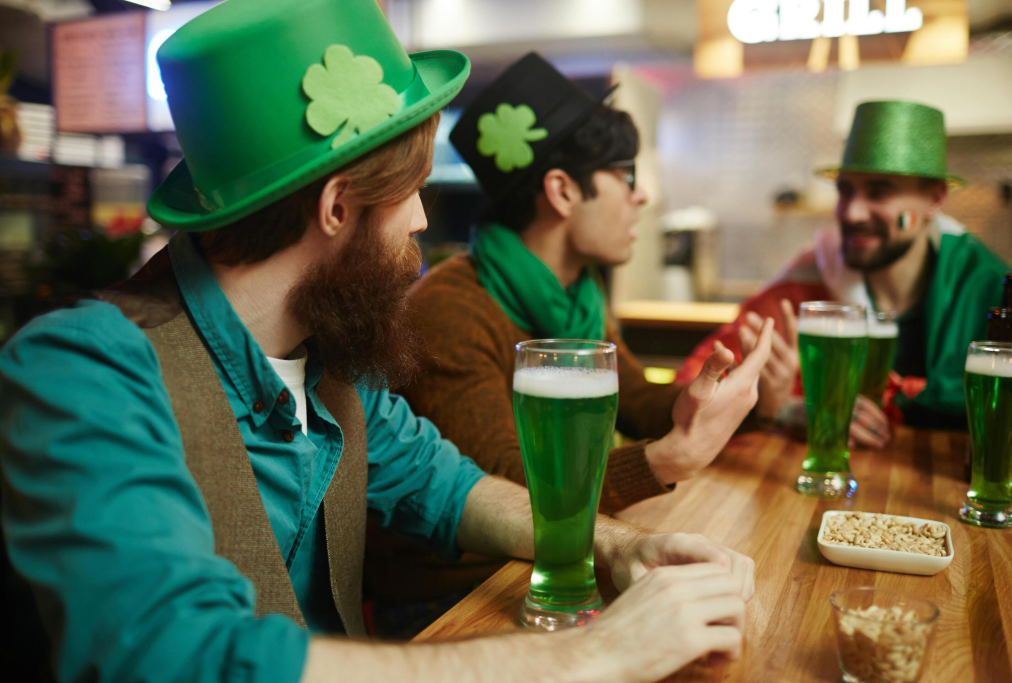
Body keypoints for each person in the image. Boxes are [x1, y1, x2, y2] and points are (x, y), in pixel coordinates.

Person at [0, 2, 756, 682]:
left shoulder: (330, 357)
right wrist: (593, 652)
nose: (425, 220)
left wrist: (613, 547)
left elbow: (449, 486)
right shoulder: (82, 369)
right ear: (337, 206)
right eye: (413, 189)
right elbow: (172, 653)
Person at [400, 53, 774, 518]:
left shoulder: (578, 296)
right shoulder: (451, 309)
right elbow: (505, 485)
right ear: (562, 191)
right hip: (465, 584)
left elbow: (637, 403)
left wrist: (746, 396)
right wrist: (665, 461)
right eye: (626, 174)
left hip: (555, 551)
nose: (642, 196)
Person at [678, 100, 1009, 435]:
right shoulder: (804, 286)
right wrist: (779, 409)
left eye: (879, 194)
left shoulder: (993, 295)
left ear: (934, 200)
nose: (852, 213)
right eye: (845, 191)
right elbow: (688, 385)